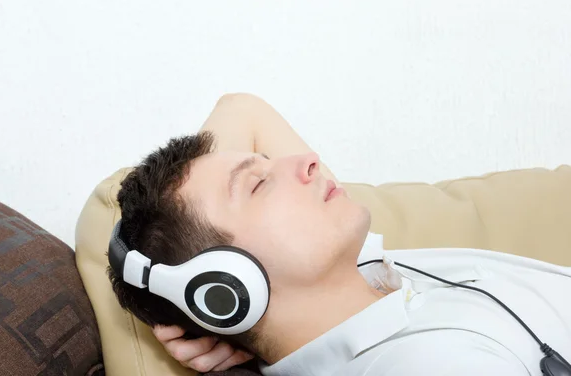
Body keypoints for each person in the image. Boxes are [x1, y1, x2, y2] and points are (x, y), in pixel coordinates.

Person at [109, 93, 571, 375]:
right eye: (260, 183)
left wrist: (164, 290)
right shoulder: (426, 365)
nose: (306, 160)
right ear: (228, 286)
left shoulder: (369, 277)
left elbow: (241, 108)